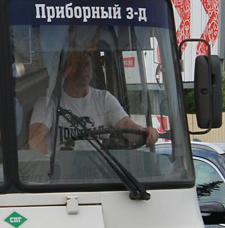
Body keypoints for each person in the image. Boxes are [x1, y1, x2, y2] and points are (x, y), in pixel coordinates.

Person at [27, 48, 158, 153]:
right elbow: (35, 141)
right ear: (64, 70)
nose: (83, 69)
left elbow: (126, 126)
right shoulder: (48, 102)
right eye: (77, 65)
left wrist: (145, 132)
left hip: (97, 174)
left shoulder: (104, 99)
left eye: (87, 64)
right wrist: (49, 170)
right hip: (62, 178)